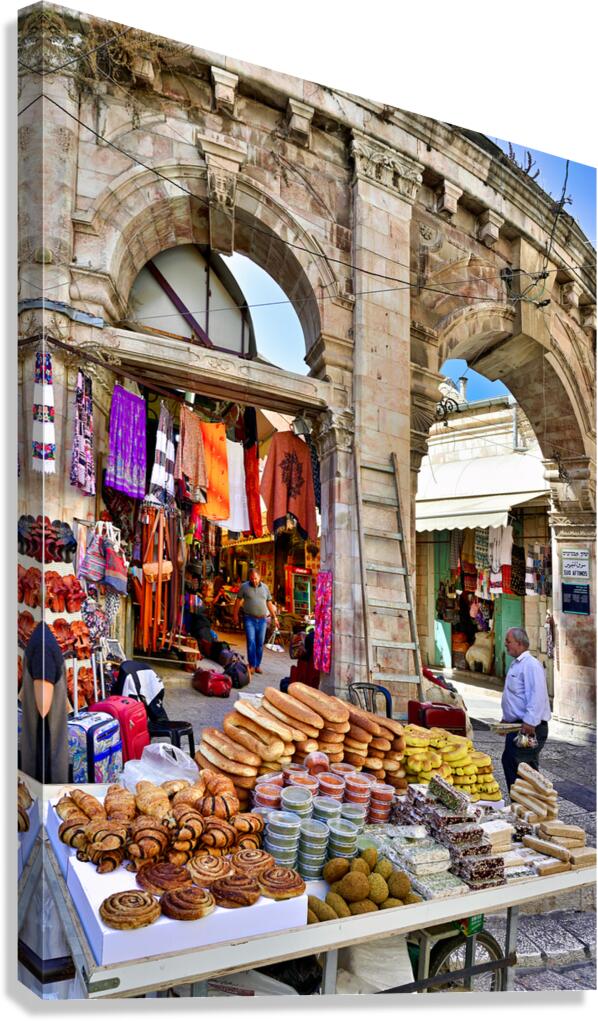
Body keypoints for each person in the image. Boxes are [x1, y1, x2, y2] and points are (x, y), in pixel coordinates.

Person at [500, 627, 551, 791]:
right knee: (517, 765)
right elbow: (516, 697)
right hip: (516, 726)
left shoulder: (531, 665)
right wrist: (506, 720)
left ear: (520, 643)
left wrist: (530, 722)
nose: (506, 644)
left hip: (528, 727)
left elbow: (537, 695)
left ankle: (526, 807)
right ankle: (524, 808)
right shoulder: (517, 664)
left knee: (520, 766)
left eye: (509, 641)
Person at [20, 622, 69, 783]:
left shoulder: (42, 646)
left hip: (45, 763)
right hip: (45, 759)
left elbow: (43, 708)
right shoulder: (43, 643)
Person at [232, 567, 280, 676]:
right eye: (252, 578)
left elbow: (269, 603)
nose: (254, 580)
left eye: (256, 578)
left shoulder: (265, 588)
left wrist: (274, 617)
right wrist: (235, 615)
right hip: (249, 618)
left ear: (260, 577)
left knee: (260, 643)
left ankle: (257, 665)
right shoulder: (244, 587)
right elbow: (238, 601)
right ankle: (252, 665)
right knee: (251, 641)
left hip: (262, 620)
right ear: (249, 578)